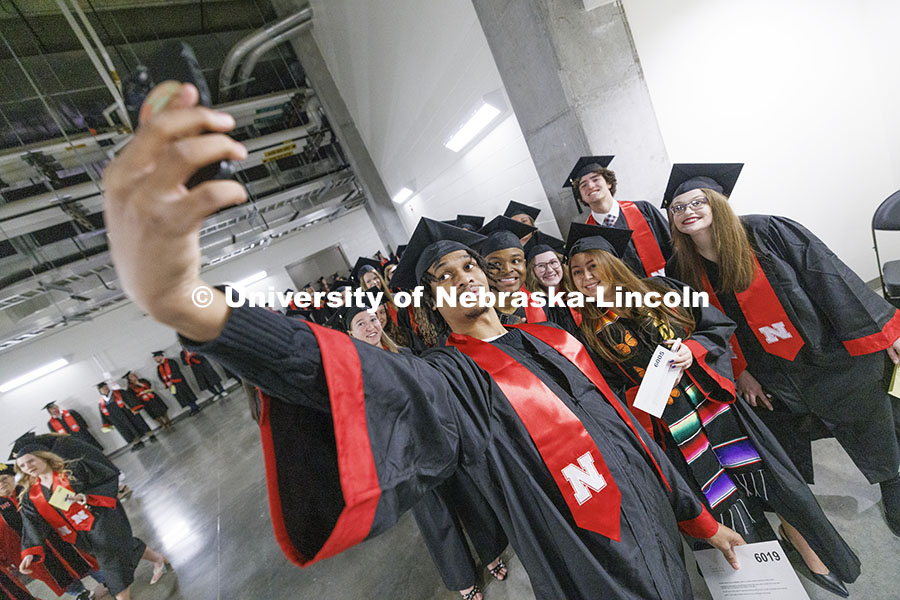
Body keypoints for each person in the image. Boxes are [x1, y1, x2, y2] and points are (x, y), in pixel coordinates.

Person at [100, 91, 744, 599]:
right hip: (592, 569)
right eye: (441, 277)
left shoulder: (554, 339)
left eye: (468, 266)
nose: (461, 277)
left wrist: (700, 520)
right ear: (430, 303)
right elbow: (336, 373)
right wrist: (192, 304)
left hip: (661, 528)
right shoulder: (450, 380)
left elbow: (629, 436)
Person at [566, 225, 859, 596]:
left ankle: (804, 544)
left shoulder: (661, 291)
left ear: (612, 264)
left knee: (766, 477)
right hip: (670, 428)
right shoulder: (589, 329)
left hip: (715, 406)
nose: (587, 277)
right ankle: (762, 583)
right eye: (577, 272)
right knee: (718, 501)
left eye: (593, 266)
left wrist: (694, 350)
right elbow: (604, 386)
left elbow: (716, 326)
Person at [663, 162, 900, 538]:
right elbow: (704, 326)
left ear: (717, 203)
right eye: (677, 208)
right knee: (781, 427)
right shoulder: (681, 266)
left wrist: (884, 332)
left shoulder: (767, 230)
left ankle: (893, 482)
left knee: (869, 414)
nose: (687, 212)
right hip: (768, 368)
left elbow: (830, 278)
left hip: (823, 350)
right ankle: (801, 521)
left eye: (696, 202)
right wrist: (739, 372)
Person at [343, 304, 509, 600]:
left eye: (372, 319)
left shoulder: (404, 355)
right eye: (360, 323)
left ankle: (492, 552)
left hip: (440, 442)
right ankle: (463, 579)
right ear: (349, 334)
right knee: (437, 518)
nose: (370, 326)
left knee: (470, 498)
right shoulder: (353, 376)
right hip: (407, 459)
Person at [15, 449, 168, 600]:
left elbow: (106, 479)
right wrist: (29, 552)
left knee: (109, 563)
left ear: (44, 457)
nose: (28, 466)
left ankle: (122, 596)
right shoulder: (32, 495)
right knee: (121, 547)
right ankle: (158, 559)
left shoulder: (73, 470)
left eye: (31, 460)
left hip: (101, 520)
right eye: (22, 466)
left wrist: (85, 496)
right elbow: (32, 523)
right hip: (78, 534)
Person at [563, 155, 672, 277]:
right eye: (583, 185)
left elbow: (671, 245)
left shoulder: (642, 209)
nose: (590, 186)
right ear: (581, 196)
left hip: (666, 284)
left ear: (609, 183)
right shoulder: (588, 234)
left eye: (595, 179)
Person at [1, 463, 97, 600]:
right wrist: (6, 562)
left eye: (4, 479)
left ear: (12, 477)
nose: (1, 484)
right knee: (55, 574)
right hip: (30, 550)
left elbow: (64, 500)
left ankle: (106, 579)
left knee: (84, 558)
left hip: (58, 535)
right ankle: (80, 593)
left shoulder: (30, 488)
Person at [476, 216, 539, 323]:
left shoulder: (544, 307)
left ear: (524, 264)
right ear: (483, 269)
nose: (507, 269)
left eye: (515, 261)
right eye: (496, 263)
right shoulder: (475, 318)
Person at [96, 383, 155, 451]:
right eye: (102, 389)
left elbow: (130, 399)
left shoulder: (119, 392)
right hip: (118, 419)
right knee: (126, 431)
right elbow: (103, 414)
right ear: (100, 391)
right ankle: (137, 442)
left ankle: (151, 436)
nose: (105, 389)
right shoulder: (101, 402)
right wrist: (107, 423)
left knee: (139, 424)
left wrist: (135, 408)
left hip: (129, 413)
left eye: (105, 387)